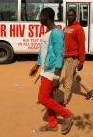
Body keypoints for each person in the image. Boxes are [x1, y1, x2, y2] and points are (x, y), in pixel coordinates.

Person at [30, 7, 74, 135]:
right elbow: (43, 51)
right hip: (45, 70)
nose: (39, 19)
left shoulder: (56, 33)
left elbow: (60, 54)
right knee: (48, 97)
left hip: (51, 72)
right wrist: (37, 65)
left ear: (45, 16)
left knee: (43, 98)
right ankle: (53, 124)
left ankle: (68, 115)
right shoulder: (48, 33)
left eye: (40, 16)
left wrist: (56, 76)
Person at [63, 9, 86, 106]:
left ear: (75, 16)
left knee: (68, 80)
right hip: (66, 57)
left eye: (72, 15)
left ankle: (64, 101)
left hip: (72, 58)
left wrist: (81, 62)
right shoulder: (66, 28)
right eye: (68, 15)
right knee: (73, 76)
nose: (69, 17)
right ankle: (90, 90)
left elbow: (82, 45)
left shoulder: (78, 28)